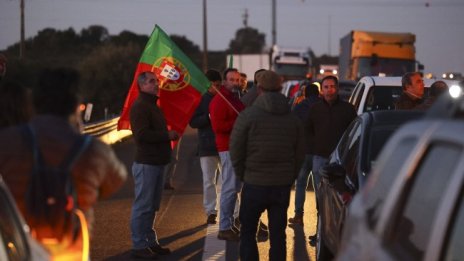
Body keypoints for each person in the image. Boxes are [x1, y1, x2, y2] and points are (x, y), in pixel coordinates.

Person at [0, 67, 128, 259]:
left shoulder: (7, 141)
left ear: (34, 102)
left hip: (18, 249)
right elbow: (116, 180)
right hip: (71, 250)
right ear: (76, 105)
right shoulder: (93, 149)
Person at [230, 70, 305, 260]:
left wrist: (242, 174)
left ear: (260, 89)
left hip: (254, 182)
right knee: (278, 235)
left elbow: (236, 149)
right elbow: (300, 153)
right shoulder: (292, 118)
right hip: (281, 185)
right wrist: (291, 176)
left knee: (248, 233)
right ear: (280, 89)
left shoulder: (248, 115)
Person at [129, 71, 180, 259]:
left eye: (156, 81)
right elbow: (141, 135)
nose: (156, 84)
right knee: (143, 206)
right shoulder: (141, 106)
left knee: (152, 206)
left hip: (157, 162)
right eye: (151, 82)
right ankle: (138, 245)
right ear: (141, 86)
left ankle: (149, 241)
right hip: (146, 162)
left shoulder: (152, 105)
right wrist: (167, 135)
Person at [306, 75, 356, 244]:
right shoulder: (315, 109)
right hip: (319, 159)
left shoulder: (348, 109)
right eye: (326, 87)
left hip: (340, 162)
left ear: (337, 89)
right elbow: (309, 131)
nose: (329, 90)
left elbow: (353, 134)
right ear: (321, 90)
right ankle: (320, 232)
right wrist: (314, 147)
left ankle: (340, 234)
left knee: (339, 199)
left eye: (332, 87)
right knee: (320, 198)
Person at [209, 68, 245, 241]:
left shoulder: (234, 99)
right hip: (228, 148)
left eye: (237, 80)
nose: (235, 83)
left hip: (238, 148)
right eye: (232, 79)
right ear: (224, 81)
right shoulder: (219, 101)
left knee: (235, 188)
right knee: (230, 188)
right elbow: (218, 128)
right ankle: (224, 226)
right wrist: (238, 121)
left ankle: (229, 223)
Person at [189, 69, 222, 225]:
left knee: (229, 180)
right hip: (207, 145)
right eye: (214, 85)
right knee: (209, 181)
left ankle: (233, 212)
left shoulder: (225, 99)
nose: (217, 88)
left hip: (224, 145)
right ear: (208, 85)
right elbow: (193, 122)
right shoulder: (201, 100)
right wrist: (208, 117)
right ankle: (210, 211)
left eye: (219, 85)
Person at [288, 83, 321, 226]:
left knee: (300, 183)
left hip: (303, 151)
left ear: (305, 94)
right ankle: (321, 216)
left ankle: (298, 216)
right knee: (319, 185)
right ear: (319, 93)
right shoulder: (323, 106)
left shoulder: (299, 107)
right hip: (319, 152)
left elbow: (292, 127)